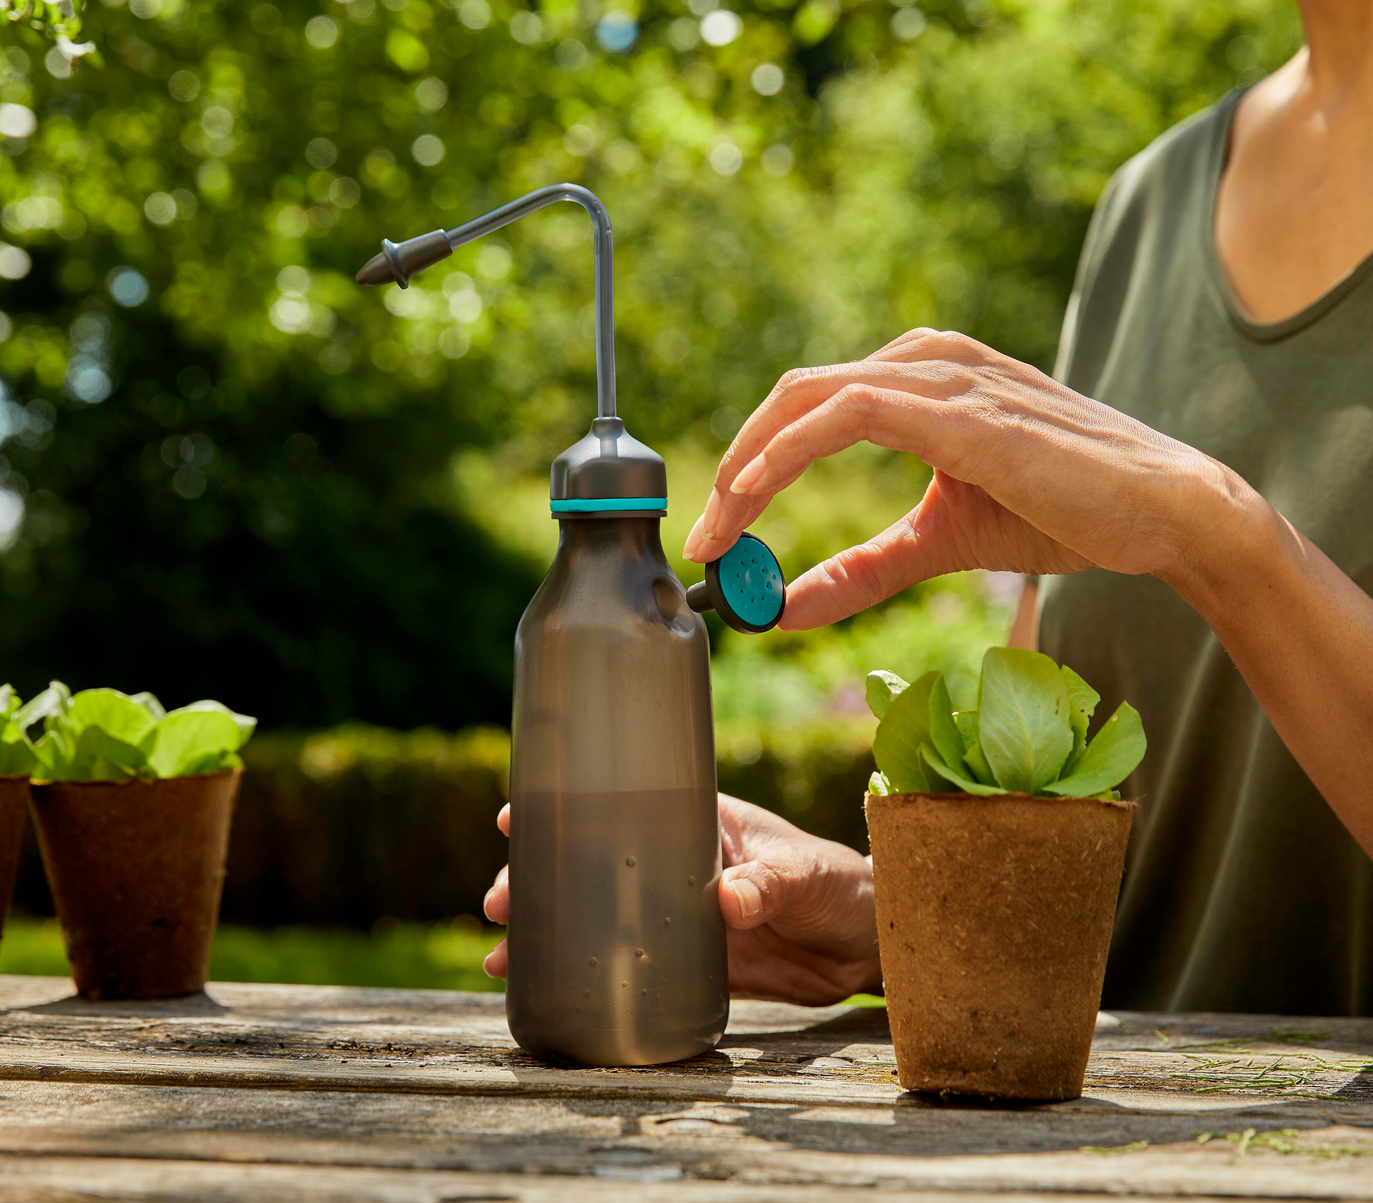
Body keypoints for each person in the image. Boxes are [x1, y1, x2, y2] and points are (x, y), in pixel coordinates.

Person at [485, 2, 1373, 1017]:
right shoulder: (1152, 205)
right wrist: (887, 921)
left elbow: (1204, 537)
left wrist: (1211, 532)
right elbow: (1082, 856)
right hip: (1109, 1150)